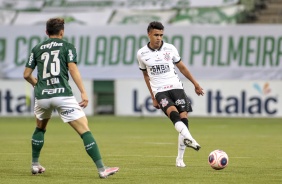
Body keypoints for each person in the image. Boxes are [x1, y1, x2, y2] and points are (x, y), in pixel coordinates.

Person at [23, 17, 119, 178]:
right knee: (84, 130)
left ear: (46, 32)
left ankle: (35, 164)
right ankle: (102, 169)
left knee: (40, 127)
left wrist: (36, 84)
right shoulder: (67, 47)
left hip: (42, 96)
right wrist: (83, 91)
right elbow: (73, 69)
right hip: (62, 95)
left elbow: (26, 74)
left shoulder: (37, 48)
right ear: (62, 32)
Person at [137, 21, 204, 168]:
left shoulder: (170, 48)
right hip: (160, 90)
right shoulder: (141, 53)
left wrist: (196, 84)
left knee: (184, 118)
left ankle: (180, 159)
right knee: (173, 115)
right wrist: (153, 96)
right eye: (156, 35)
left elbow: (182, 68)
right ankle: (191, 138)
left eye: (161, 35)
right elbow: (146, 76)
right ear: (149, 34)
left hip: (176, 87)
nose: (159, 38)